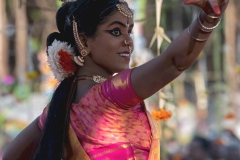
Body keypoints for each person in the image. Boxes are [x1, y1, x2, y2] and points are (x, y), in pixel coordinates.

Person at [2, 0, 229, 159]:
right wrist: (208, 18)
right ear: (84, 40)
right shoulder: (107, 97)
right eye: (116, 32)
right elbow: (174, 63)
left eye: (129, 31)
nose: (128, 41)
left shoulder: (60, 107)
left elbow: (10, 155)